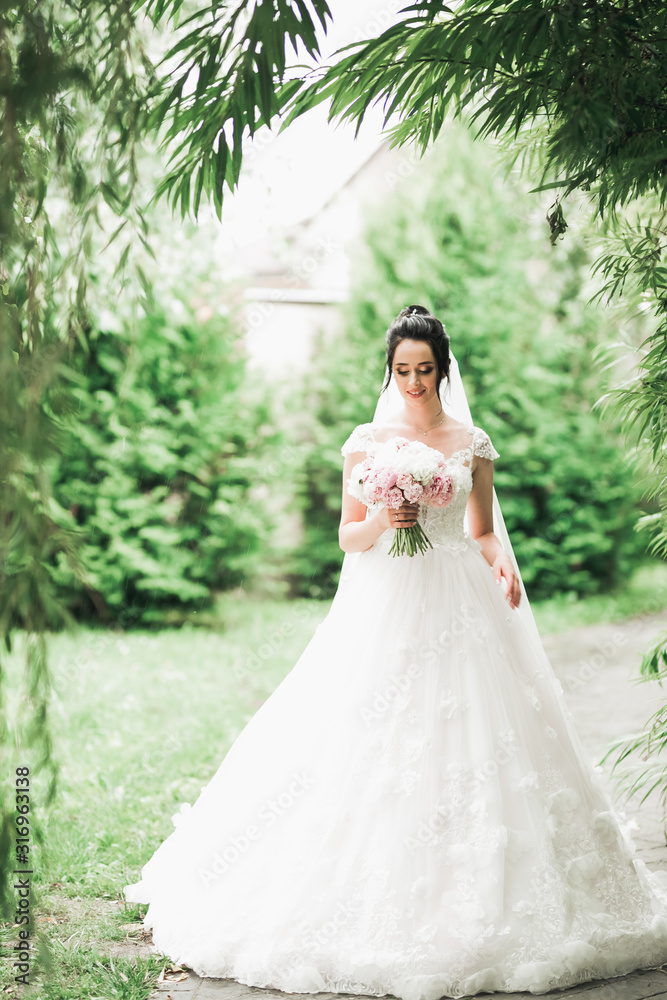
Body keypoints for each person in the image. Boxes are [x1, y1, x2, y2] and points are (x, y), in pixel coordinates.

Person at [124, 305, 667, 999]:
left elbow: (480, 530)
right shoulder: (367, 440)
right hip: (385, 602)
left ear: (443, 368)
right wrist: (388, 513)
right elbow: (349, 538)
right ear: (390, 370)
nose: (413, 381)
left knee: (483, 730)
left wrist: (499, 564)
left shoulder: (470, 440)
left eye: (425, 369)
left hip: (457, 597)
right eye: (402, 370)